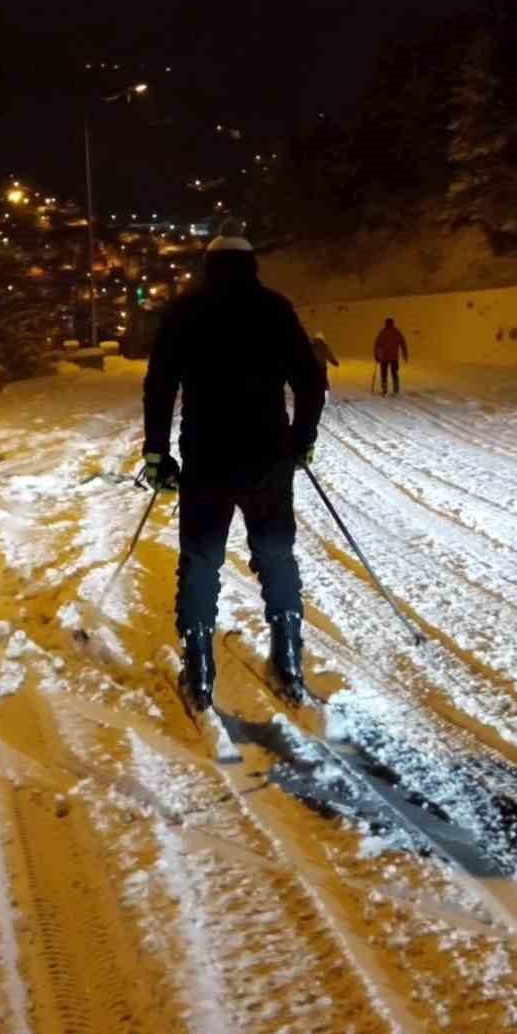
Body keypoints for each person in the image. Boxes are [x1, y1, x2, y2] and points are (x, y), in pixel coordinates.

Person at [142, 225, 324, 710]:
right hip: (268, 456)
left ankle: (199, 669)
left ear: (209, 265)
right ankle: (288, 657)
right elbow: (310, 382)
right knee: (276, 554)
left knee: (201, 558)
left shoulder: (185, 311)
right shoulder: (275, 308)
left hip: (207, 458)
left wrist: (157, 452)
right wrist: (302, 439)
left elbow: (159, 385)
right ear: (251, 264)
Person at [373, 316, 409, 395]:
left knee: (384, 374)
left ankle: (385, 388)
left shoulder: (383, 332)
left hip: (385, 357)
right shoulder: (396, 332)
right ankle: (395, 389)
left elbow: (377, 345)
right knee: (394, 373)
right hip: (392, 357)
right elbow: (403, 344)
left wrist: (376, 355)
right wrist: (405, 355)